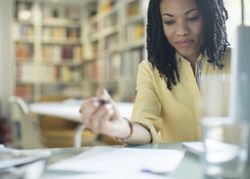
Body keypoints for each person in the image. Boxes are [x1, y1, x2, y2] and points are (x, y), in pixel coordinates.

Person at [79, 0, 231, 145]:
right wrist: (123, 128)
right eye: (169, 21)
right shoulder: (151, 70)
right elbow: (146, 125)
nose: (182, 31)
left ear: (209, 15)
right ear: (160, 24)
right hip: (176, 167)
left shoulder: (240, 60)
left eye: (192, 17)